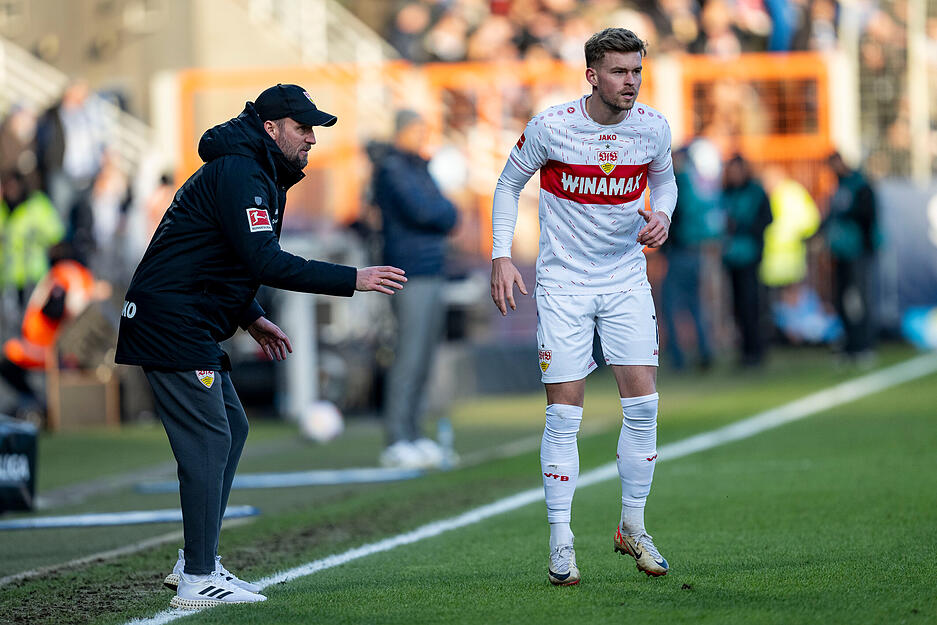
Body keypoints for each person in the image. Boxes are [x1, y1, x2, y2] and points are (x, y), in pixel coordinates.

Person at [115, 84, 407, 610]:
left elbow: (218, 254)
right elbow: (264, 260)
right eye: (302, 127)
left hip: (186, 317)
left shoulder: (259, 171)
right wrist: (353, 278)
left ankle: (198, 560)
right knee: (210, 438)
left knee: (232, 427)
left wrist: (249, 316)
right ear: (270, 128)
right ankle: (197, 575)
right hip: (172, 320)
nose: (312, 138)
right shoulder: (242, 171)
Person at [490, 28, 677, 586]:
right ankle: (561, 541)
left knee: (643, 406)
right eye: (619, 72)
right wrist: (501, 255)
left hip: (625, 279)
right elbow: (507, 185)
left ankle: (633, 527)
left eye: (637, 71)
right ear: (592, 75)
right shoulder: (551, 127)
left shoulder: (653, 128)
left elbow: (665, 183)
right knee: (564, 415)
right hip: (564, 284)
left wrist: (663, 215)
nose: (631, 82)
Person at [368, 110, 459, 469]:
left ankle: (415, 433)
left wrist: (442, 213)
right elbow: (424, 210)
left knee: (424, 358)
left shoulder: (419, 167)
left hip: (433, 269)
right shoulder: (392, 168)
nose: (423, 136)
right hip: (407, 271)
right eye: (417, 130)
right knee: (408, 356)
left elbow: (448, 213)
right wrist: (442, 213)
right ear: (402, 131)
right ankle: (397, 438)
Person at [660, 143, 718, 371]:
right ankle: (704, 351)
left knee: (670, 305)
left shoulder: (677, 184)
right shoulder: (696, 185)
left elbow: (672, 218)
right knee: (695, 305)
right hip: (695, 252)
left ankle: (678, 357)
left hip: (680, 252)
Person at [824, 152, 879, 359]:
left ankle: (865, 344)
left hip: (858, 251)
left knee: (860, 298)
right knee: (842, 298)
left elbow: (868, 216)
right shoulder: (838, 187)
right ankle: (850, 343)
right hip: (841, 252)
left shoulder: (859, 185)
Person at [721, 154, 773, 366]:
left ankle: (756, 348)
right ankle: (744, 349)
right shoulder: (727, 192)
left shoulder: (755, 192)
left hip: (750, 256)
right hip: (732, 257)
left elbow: (766, 218)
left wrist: (746, 229)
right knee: (737, 305)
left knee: (751, 303)